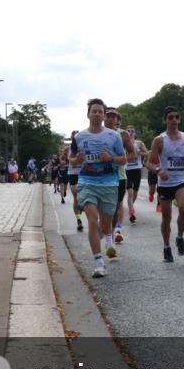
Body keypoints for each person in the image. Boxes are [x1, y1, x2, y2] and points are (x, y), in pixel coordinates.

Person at [71, 99, 126, 277]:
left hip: (109, 183)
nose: (97, 114)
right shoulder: (79, 137)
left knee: (105, 224)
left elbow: (123, 159)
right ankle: (99, 264)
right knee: (93, 221)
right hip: (87, 182)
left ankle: (107, 238)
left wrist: (110, 158)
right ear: (88, 114)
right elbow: (71, 159)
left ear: (103, 116)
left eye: (100, 112)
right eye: (93, 111)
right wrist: (77, 160)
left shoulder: (113, 136)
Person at [147, 107, 184, 261]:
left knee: (183, 208)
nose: (174, 120)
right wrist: (159, 170)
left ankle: (179, 237)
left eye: (176, 117)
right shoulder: (159, 140)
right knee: (166, 218)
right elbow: (148, 163)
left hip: (182, 180)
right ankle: (166, 247)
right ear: (165, 120)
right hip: (165, 183)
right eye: (170, 117)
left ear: (179, 119)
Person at [104, 108, 135, 244]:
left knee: (116, 206)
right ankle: (108, 233)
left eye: (114, 116)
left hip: (119, 176)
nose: (111, 118)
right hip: (99, 176)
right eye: (108, 116)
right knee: (104, 207)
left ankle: (114, 231)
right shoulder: (96, 133)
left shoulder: (123, 134)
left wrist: (118, 160)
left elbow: (132, 153)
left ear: (117, 120)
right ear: (104, 118)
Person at [125, 126, 148, 223]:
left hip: (137, 169)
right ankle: (131, 212)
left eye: (132, 131)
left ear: (135, 133)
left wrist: (139, 152)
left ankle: (131, 207)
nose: (130, 133)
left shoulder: (139, 143)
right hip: (127, 170)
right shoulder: (123, 143)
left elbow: (147, 153)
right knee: (130, 192)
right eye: (128, 131)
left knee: (135, 193)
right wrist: (127, 155)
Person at [67, 132, 83, 229]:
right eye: (74, 137)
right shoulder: (69, 148)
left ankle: (81, 216)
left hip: (83, 174)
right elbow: (68, 161)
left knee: (83, 198)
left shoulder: (84, 146)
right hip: (73, 174)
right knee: (76, 197)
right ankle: (78, 219)